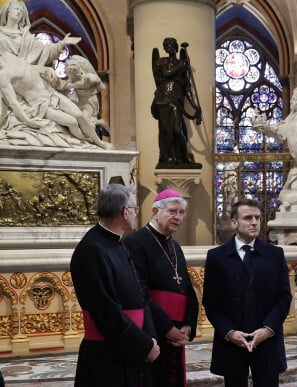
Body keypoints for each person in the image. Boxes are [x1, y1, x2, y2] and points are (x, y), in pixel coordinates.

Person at [70, 184, 160, 387]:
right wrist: (144, 345)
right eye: (135, 209)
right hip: (107, 357)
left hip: (131, 349)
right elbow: (105, 311)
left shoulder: (118, 244)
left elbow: (140, 296)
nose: (136, 214)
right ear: (124, 212)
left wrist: (150, 338)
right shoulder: (92, 250)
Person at [202, 198, 292, 386]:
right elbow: (211, 302)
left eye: (257, 218)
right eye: (248, 218)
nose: (254, 222)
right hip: (232, 342)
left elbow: (284, 298)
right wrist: (229, 332)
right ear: (234, 223)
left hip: (267, 341)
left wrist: (268, 330)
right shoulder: (217, 257)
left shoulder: (275, 255)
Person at [124, 189, 199, 387]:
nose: (178, 217)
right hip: (152, 332)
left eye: (182, 212)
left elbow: (189, 292)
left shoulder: (176, 247)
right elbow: (140, 291)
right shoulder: (134, 243)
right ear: (155, 211)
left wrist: (187, 327)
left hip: (177, 334)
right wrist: (167, 328)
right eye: (173, 211)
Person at [0, 54, 112, 149]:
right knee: (72, 122)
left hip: (51, 93)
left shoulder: (9, 57)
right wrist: (28, 121)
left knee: (79, 115)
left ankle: (99, 142)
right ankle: (86, 142)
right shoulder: (3, 75)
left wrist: (46, 69)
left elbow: (30, 67)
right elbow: (13, 102)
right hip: (40, 104)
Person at [151, 37, 201, 169]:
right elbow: (166, 73)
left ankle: (183, 158)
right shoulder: (162, 62)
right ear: (165, 48)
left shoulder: (182, 62)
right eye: (167, 45)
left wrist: (195, 107)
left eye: (173, 45)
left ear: (177, 47)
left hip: (176, 100)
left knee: (178, 130)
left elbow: (187, 88)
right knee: (166, 131)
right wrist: (182, 64)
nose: (170, 47)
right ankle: (169, 158)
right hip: (164, 99)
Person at [0, 0, 81, 66]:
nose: (19, 12)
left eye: (21, 11)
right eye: (16, 8)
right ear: (8, 10)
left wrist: (62, 43)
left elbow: (45, 51)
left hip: (21, 76)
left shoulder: (26, 38)